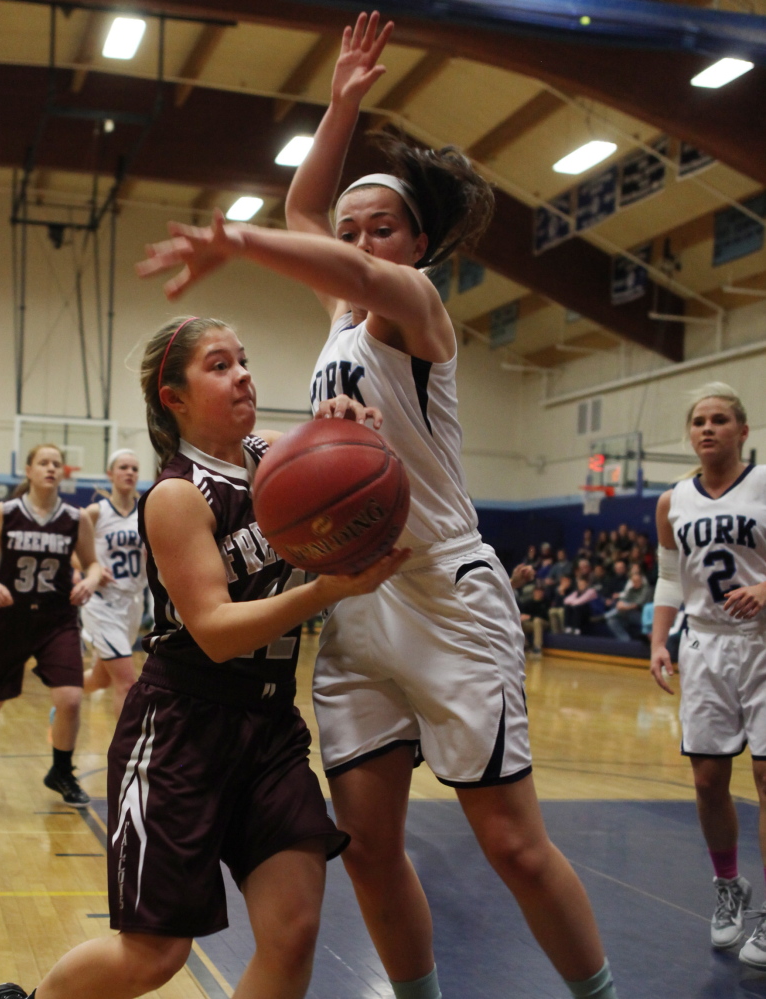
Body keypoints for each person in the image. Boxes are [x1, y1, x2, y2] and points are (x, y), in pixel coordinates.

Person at [135, 13, 620, 998]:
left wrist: (233, 235)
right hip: (353, 601)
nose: (357, 242)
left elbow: (344, 265)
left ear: (419, 242)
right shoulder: (342, 325)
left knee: (511, 847)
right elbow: (310, 214)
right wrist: (341, 102)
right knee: (362, 846)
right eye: (351, 227)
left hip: (445, 594)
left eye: (381, 228)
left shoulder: (416, 309)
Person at [0, 315, 408, 999]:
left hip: (269, 729)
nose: (243, 373)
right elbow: (214, 629)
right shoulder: (177, 496)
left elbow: (352, 461)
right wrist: (327, 589)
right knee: (155, 955)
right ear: (173, 397)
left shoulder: (275, 456)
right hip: (182, 729)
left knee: (294, 928)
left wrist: (347, 424)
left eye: (243, 359)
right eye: (218, 365)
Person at [650, 382, 766, 967]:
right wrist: (658, 640)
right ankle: (729, 887)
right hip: (704, 646)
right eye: (699, 420)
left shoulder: (765, 483)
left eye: (721, 419)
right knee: (707, 781)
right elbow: (670, 578)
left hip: (765, 644)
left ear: (743, 430)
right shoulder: (673, 501)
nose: (708, 428)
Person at [0, 444, 102, 807]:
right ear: (28, 471)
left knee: (70, 699)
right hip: (9, 619)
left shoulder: (76, 518)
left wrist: (89, 581)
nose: (51, 468)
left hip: (56, 619)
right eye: (43, 462)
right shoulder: (6, 512)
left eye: (57, 464)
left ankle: (61, 772)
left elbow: (92, 564)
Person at [79, 449, 148, 719]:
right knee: (127, 682)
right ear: (110, 474)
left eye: (134, 468)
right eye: (123, 467)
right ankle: (125, 755)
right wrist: (91, 569)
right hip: (102, 603)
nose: (130, 472)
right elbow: (74, 552)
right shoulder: (96, 512)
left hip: (133, 603)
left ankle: (65, 696)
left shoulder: (146, 511)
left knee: (101, 681)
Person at [604, 565, 651, 641]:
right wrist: (620, 604)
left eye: (637, 581)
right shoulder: (631, 589)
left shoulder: (646, 589)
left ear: (641, 581)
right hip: (627, 613)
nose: (634, 583)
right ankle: (625, 641)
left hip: (640, 615)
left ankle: (605, 616)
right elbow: (623, 599)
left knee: (619, 611)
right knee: (612, 621)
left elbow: (637, 605)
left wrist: (624, 607)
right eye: (633, 582)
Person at [520, 583, 550, 656]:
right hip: (531, 624)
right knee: (519, 621)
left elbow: (544, 616)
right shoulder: (528, 603)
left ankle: (537, 647)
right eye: (537, 591)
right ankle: (524, 645)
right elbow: (523, 614)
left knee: (537, 621)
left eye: (540, 591)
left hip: (543, 623)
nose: (538, 593)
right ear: (533, 592)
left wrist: (530, 617)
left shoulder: (546, 603)